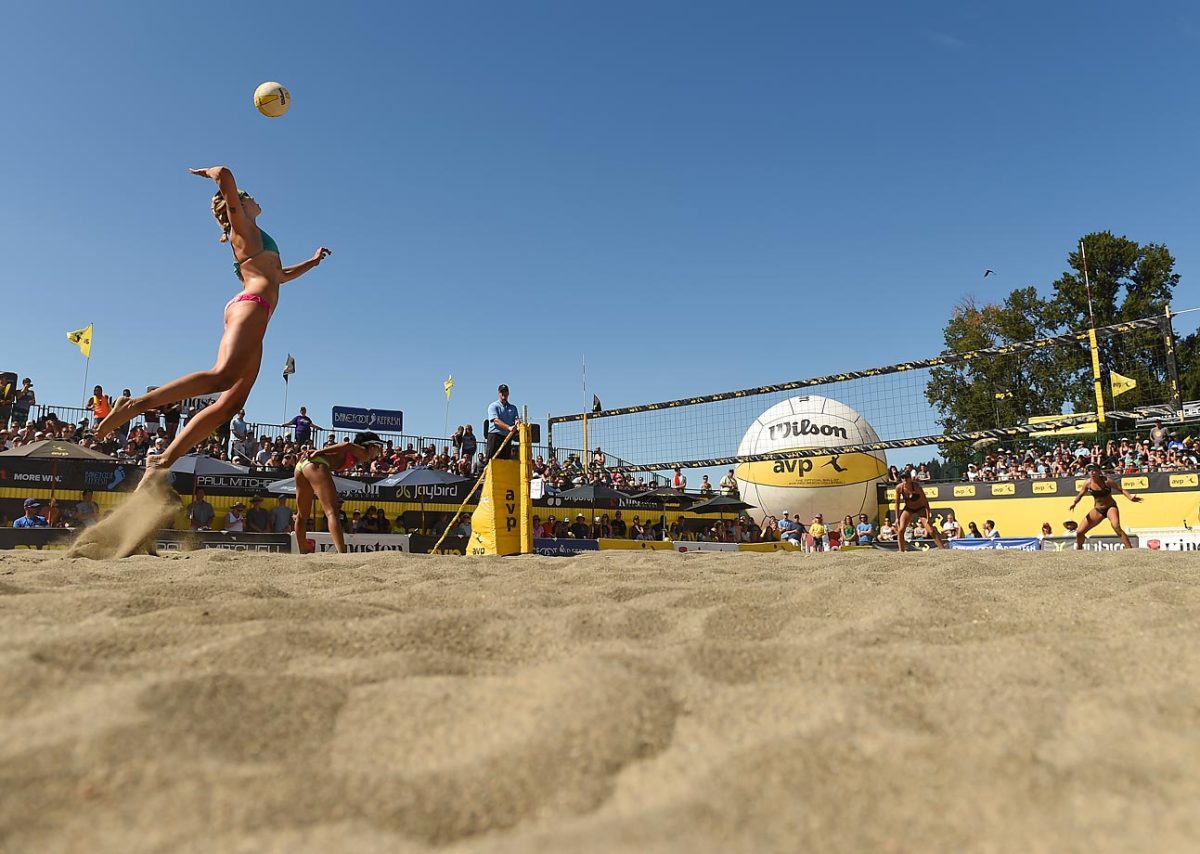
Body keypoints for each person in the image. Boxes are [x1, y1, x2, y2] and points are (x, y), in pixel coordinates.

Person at [96, 164, 332, 483]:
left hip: (257, 315)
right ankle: (134, 404)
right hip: (251, 307)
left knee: (229, 405)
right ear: (238, 203)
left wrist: (313, 262)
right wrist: (210, 172)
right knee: (222, 376)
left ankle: (163, 461)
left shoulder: (256, 235)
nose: (256, 201)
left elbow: (280, 276)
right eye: (249, 199)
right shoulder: (241, 227)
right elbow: (224, 174)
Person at [293, 432, 385, 554]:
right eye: (378, 449)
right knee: (332, 512)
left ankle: (302, 552)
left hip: (302, 466)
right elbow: (347, 445)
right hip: (315, 464)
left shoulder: (357, 455)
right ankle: (342, 553)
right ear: (371, 446)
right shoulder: (362, 451)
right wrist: (319, 452)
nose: (377, 453)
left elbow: (342, 449)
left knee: (302, 515)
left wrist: (318, 452)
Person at [1069, 463, 1142, 549]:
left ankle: (1129, 548)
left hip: (1110, 507)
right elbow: (1080, 494)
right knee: (1079, 532)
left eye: (1094, 470)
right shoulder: (1088, 483)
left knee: (1116, 526)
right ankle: (1079, 551)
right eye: (1089, 470)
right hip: (1098, 510)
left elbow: (1121, 489)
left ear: (1099, 471)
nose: (1092, 472)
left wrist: (1130, 497)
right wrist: (1074, 503)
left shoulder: (1106, 481)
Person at [894, 470, 946, 552]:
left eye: (906, 477)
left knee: (931, 530)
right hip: (908, 508)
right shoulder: (899, 488)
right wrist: (897, 517)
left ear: (910, 478)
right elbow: (897, 503)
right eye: (902, 478)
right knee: (900, 530)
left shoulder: (916, 487)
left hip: (920, 508)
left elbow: (925, 502)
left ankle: (942, 549)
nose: (904, 479)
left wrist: (928, 515)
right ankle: (901, 551)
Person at [486, 384, 519, 461]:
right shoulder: (493, 406)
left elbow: (516, 419)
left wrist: (517, 424)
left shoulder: (513, 408)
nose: (504, 394)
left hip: (507, 437)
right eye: (502, 392)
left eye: (505, 392)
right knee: (491, 460)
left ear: (508, 393)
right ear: (499, 393)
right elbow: (496, 421)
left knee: (505, 460)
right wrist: (509, 427)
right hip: (495, 437)